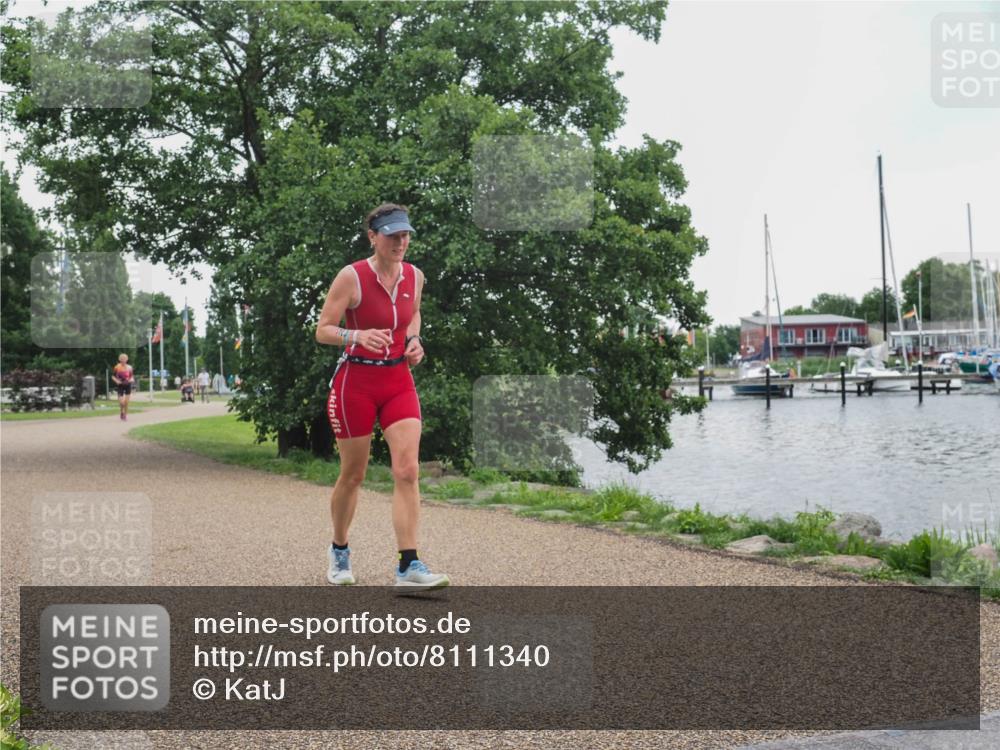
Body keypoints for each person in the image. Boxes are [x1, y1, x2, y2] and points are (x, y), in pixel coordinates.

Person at [315, 203, 448, 590]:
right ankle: (339, 549)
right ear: (373, 237)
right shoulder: (351, 277)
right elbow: (323, 329)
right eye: (392, 235)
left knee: (407, 470)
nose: (401, 242)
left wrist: (414, 339)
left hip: (398, 382)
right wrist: (355, 335)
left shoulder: (415, 276)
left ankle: (409, 566)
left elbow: (414, 315)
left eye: (405, 234)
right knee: (353, 475)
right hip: (354, 384)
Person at [111, 354, 135, 421]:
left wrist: (131, 380)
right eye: (122, 359)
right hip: (120, 386)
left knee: (126, 402)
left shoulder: (130, 367)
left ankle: (125, 415)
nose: (123, 360)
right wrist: (116, 381)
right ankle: (121, 412)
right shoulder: (117, 367)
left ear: (127, 359)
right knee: (121, 402)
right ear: (120, 360)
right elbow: (113, 376)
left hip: (128, 385)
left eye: (124, 359)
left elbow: (132, 376)